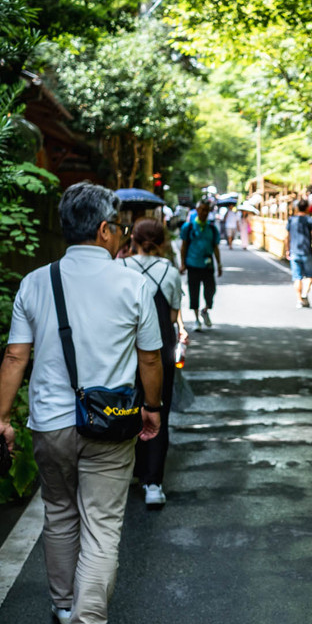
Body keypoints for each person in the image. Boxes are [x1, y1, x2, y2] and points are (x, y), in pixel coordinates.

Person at [0, 182, 163, 624]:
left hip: (50, 424)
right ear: (106, 230)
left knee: (60, 513)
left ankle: (65, 607)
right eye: (120, 228)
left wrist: (1, 419)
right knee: (101, 524)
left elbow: (16, 354)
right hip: (110, 424)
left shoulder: (35, 282)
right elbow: (150, 359)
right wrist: (153, 407)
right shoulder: (133, 284)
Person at [122, 217, 187, 509]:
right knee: (157, 413)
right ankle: (153, 483)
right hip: (160, 352)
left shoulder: (120, 268)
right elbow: (173, 318)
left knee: (124, 410)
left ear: (132, 239)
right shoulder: (169, 272)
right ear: (162, 242)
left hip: (123, 352)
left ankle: (128, 472)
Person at [180, 199, 222, 328]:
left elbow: (215, 247)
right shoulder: (189, 227)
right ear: (197, 210)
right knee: (194, 292)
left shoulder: (212, 228)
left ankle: (206, 310)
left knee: (211, 290)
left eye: (206, 210)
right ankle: (196, 319)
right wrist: (183, 263)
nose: (204, 212)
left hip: (208, 265)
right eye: (201, 209)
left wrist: (219, 264)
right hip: (193, 264)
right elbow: (184, 246)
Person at [286, 197, 312, 307]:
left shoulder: (291, 220)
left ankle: (299, 300)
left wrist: (287, 250)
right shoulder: (310, 220)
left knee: (297, 277)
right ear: (306, 208)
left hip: (294, 251)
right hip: (307, 252)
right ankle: (305, 293)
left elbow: (287, 237)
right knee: (309, 276)